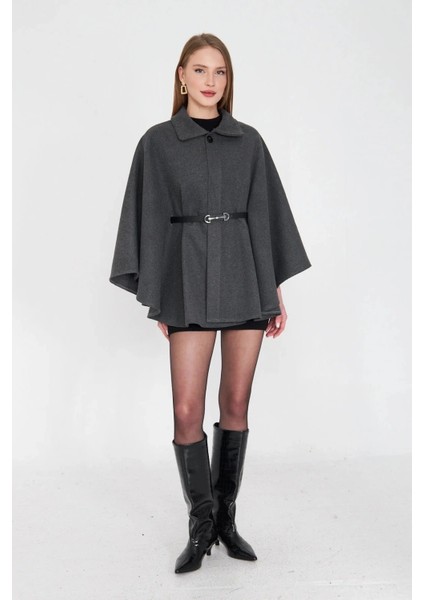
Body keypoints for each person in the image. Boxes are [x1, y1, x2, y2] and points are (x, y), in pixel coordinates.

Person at [109, 33, 312, 574]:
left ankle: (225, 518)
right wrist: (158, 290)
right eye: (199, 70)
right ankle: (199, 524)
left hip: (245, 277)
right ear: (181, 76)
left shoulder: (249, 142)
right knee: (186, 410)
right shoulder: (157, 142)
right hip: (185, 282)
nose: (210, 81)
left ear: (228, 80)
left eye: (219, 72)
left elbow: (265, 214)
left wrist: (274, 290)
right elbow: (147, 217)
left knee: (237, 403)